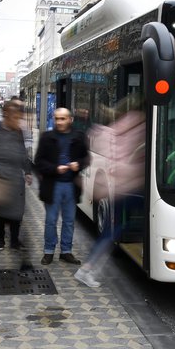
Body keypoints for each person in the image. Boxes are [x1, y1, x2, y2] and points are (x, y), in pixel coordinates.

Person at [74, 94, 146, 287]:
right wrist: (140, 173)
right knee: (114, 229)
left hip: (118, 188)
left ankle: (87, 269)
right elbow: (123, 164)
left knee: (114, 228)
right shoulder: (136, 125)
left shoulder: (113, 128)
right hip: (125, 188)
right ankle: (86, 270)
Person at [0, 100, 33, 269]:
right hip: (0, 185)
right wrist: (1, 175)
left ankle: (21, 254)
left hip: (16, 185)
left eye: (20, 117)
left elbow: (22, 155)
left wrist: (28, 171)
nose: (19, 121)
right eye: (16, 117)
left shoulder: (18, 133)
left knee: (17, 219)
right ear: (7, 115)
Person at [34, 107, 90, 266]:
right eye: (56, 118)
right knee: (51, 220)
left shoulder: (79, 136)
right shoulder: (47, 137)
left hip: (71, 186)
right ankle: (49, 251)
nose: (59, 122)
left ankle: (66, 251)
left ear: (70, 120)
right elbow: (39, 162)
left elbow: (86, 158)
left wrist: (78, 164)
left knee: (69, 221)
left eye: (62, 119)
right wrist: (55, 168)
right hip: (52, 186)